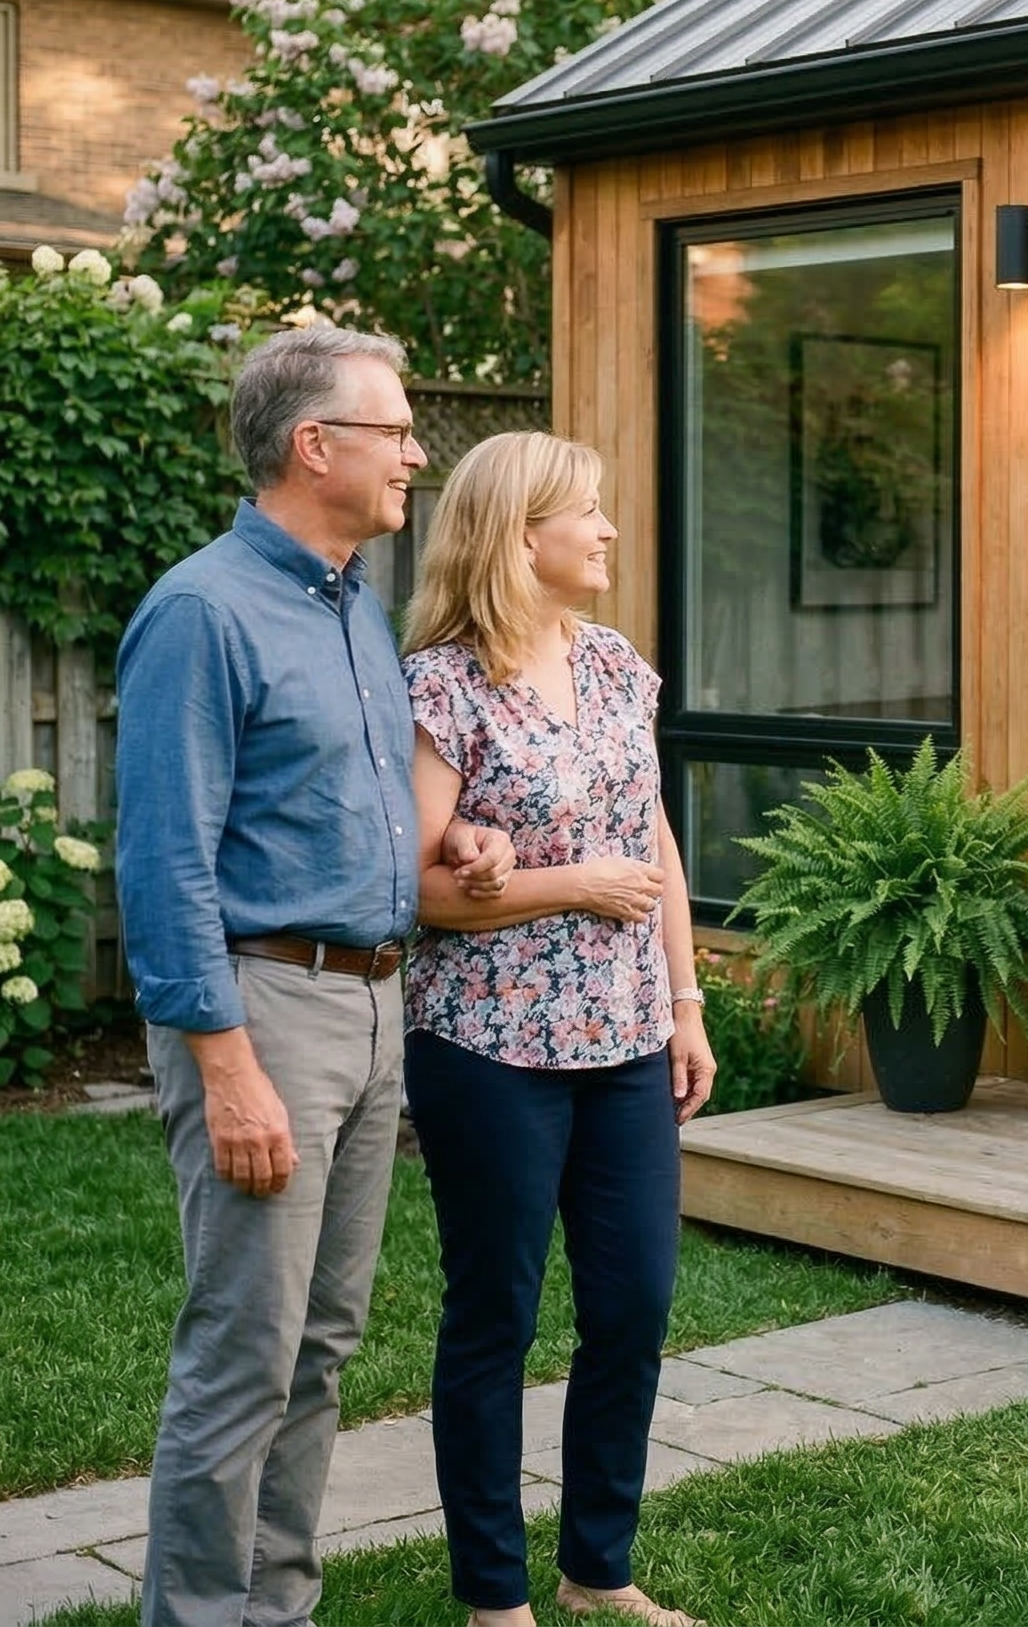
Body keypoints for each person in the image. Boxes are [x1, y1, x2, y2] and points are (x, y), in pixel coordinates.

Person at [116, 324, 514, 1627]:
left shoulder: (353, 607)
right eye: (394, 430)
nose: (416, 453)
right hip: (267, 1009)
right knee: (246, 1346)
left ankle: (273, 1606)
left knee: (321, 1344)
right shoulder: (203, 613)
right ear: (314, 445)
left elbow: (342, 804)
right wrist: (225, 1065)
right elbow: (164, 863)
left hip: (374, 1003)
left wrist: (452, 840)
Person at [399, 431, 716, 1627]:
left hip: (626, 1039)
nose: (607, 528)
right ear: (518, 534)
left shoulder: (617, 663)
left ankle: (595, 1568)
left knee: (631, 1306)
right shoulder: (441, 684)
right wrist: (568, 884)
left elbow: (654, 840)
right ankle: (495, 1595)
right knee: (497, 1314)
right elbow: (413, 890)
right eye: (586, 510)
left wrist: (684, 1003)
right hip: (488, 1047)